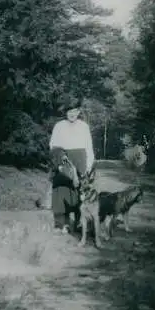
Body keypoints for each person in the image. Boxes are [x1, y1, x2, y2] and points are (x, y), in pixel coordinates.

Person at [48, 97, 95, 234]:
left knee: (78, 192)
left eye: (75, 111)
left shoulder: (84, 127)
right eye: (69, 111)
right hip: (63, 160)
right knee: (61, 192)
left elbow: (88, 147)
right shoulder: (59, 126)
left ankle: (80, 222)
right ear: (65, 112)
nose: (72, 114)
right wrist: (60, 159)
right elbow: (53, 145)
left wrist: (88, 166)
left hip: (80, 160)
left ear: (79, 111)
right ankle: (61, 223)